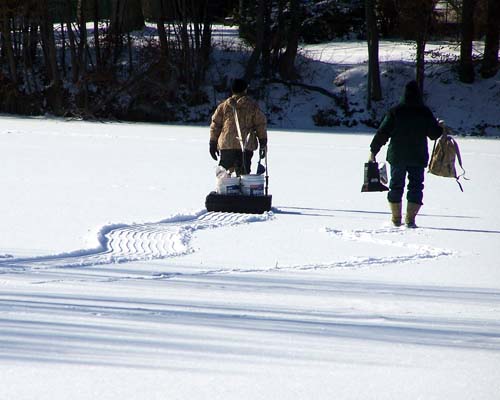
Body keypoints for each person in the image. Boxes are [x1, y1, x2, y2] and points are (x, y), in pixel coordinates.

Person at [369, 80, 443, 228]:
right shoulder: (425, 112)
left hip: (397, 156)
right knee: (416, 186)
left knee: (396, 185)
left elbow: (382, 133)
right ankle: (410, 219)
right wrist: (440, 126)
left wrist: (373, 151)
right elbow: (434, 135)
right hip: (418, 156)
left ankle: (396, 219)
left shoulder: (396, 111)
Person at [209, 78, 267, 176]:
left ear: (232, 90)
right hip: (245, 146)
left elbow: (215, 125)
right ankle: (242, 189)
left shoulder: (223, 106)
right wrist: (263, 142)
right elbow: (260, 125)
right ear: (245, 90)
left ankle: (224, 189)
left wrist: (213, 143)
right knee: (243, 175)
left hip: (227, 146)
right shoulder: (252, 107)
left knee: (224, 175)